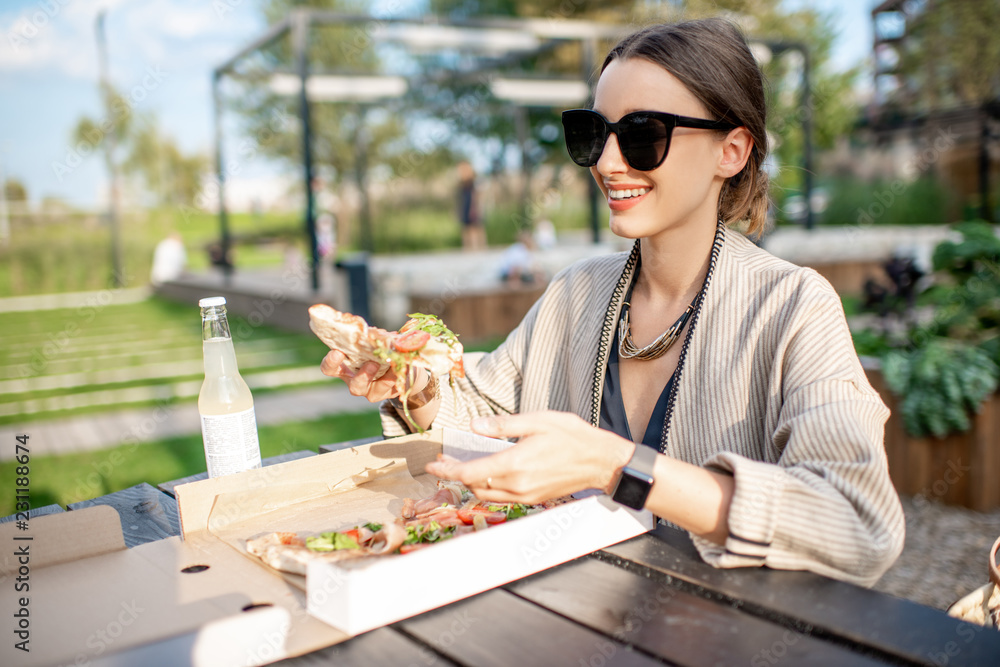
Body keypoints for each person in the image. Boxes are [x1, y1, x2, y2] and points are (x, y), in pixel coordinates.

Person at [320, 18, 904, 586]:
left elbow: (857, 523)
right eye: (594, 134)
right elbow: (483, 412)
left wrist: (617, 467)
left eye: (644, 134)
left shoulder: (792, 308)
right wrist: (414, 385)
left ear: (732, 151)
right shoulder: (576, 292)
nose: (606, 163)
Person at [456, 160, 486, 250]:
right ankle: (468, 249)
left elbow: (479, 196)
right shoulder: (461, 184)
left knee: (476, 228)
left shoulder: (475, 182)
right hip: (465, 207)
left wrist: (476, 208)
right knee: (466, 229)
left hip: (474, 207)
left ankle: (480, 248)